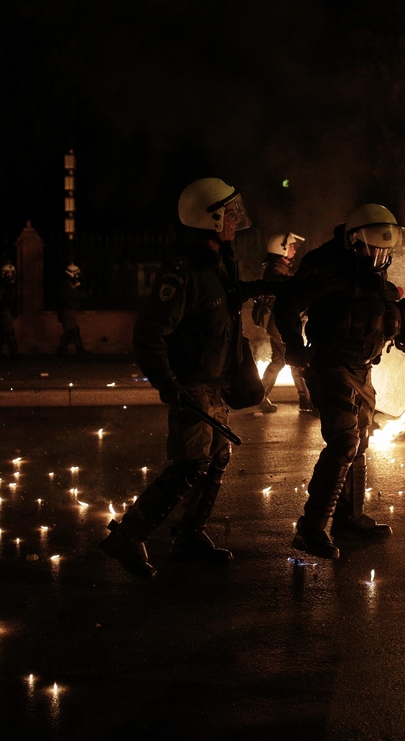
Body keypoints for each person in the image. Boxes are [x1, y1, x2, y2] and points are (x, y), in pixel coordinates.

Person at [100, 177, 260, 578]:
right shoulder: (182, 271)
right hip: (191, 383)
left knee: (217, 456)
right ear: (211, 218)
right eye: (229, 211)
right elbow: (149, 335)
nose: (236, 218)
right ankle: (127, 536)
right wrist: (170, 386)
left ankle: (189, 536)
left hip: (213, 383)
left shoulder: (220, 260)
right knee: (190, 465)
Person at [276, 204, 405, 560]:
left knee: (361, 440)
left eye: (384, 250)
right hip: (329, 364)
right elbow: (287, 304)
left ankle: (348, 518)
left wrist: (398, 320)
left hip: (362, 368)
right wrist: (293, 345)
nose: (378, 256)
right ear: (354, 241)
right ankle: (310, 528)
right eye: (371, 248)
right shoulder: (327, 267)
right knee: (344, 440)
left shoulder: (373, 271)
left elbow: (372, 312)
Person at [253, 231, 313, 413]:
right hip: (279, 321)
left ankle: (260, 396)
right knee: (296, 356)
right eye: (291, 246)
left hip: (276, 321)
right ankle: (307, 400)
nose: (294, 250)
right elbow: (291, 287)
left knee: (278, 360)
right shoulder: (277, 270)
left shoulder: (280, 268)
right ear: (282, 248)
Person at [57, 263, 90, 357]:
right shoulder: (65, 285)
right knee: (73, 330)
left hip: (68, 310)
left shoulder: (69, 283)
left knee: (69, 331)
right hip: (66, 310)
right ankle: (79, 350)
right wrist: (86, 293)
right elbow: (75, 295)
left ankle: (61, 350)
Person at [0, 263, 21, 359]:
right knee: (8, 332)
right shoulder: (2, 284)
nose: (10, 275)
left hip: (6, 310)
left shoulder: (10, 284)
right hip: (4, 310)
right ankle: (14, 353)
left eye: (12, 273)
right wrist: (2, 310)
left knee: (1, 332)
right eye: (8, 273)